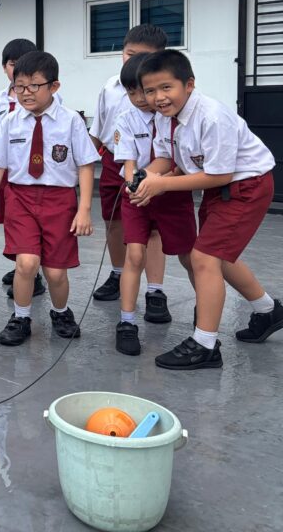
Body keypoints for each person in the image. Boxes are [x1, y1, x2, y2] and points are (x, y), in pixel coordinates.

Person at [130, 50, 283, 369]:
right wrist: (145, 176)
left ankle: (205, 345)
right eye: (150, 91)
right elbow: (166, 158)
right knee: (215, 255)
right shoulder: (165, 118)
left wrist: (161, 185)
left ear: (189, 84)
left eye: (166, 87)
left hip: (246, 186)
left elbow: (220, 174)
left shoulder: (212, 116)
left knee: (204, 258)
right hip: (219, 188)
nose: (158, 97)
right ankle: (268, 311)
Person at [0, 51, 98, 346]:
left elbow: (85, 165)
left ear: (54, 86)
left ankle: (61, 312)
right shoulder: (10, 121)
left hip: (60, 200)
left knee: (56, 273)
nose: (26, 93)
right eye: (20, 86)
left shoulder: (71, 121)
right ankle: (21, 317)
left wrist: (84, 209)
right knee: (26, 263)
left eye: (34, 85)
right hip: (20, 198)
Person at [112, 53, 195, 355]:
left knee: (191, 257)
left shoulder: (173, 116)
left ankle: (203, 316)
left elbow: (180, 162)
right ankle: (126, 322)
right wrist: (137, 187)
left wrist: (159, 185)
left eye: (144, 91)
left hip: (173, 194)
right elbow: (128, 164)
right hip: (137, 197)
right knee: (134, 255)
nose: (141, 98)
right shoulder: (126, 119)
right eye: (133, 92)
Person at [89, 26, 168, 302]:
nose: (133, 61)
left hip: (156, 165)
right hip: (114, 162)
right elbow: (98, 131)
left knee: (154, 228)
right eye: (129, 54)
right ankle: (117, 273)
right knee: (113, 221)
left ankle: (155, 290)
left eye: (144, 56)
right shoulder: (110, 88)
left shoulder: (164, 91)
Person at [0, 38, 46, 295]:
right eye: (12, 64)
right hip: (6, 171)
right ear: (4, 67)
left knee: (36, 221)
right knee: (12, 219)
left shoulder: (43, 96)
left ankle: (34, 273)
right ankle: (21, 263)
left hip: (33, 171)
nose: (18, 68)